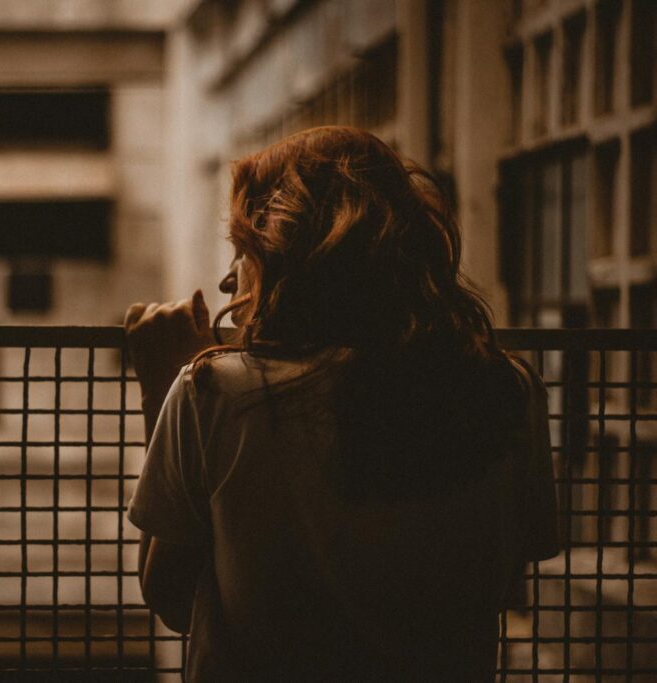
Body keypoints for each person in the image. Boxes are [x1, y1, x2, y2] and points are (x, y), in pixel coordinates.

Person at [123, 126, 559, 681]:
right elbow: (507, 575)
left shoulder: (216, 394)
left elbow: (169, 597)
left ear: (289, 254)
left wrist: (160, 385)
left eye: (244, 250)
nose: (229, 278)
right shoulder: (507, 388)